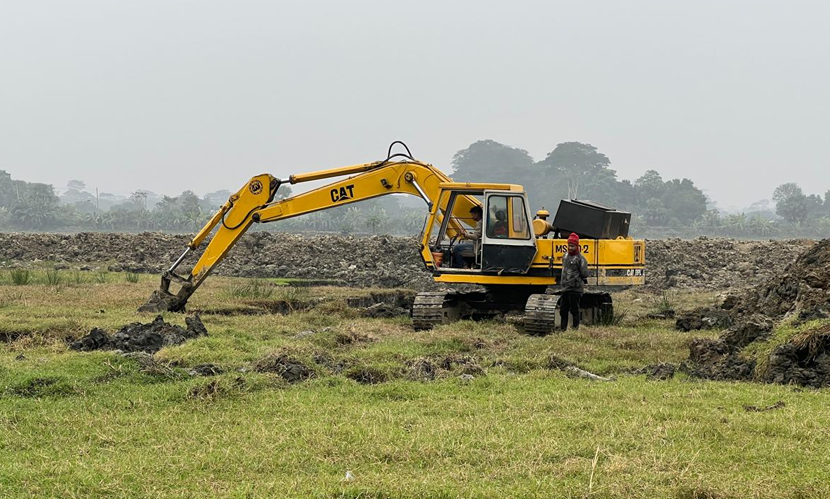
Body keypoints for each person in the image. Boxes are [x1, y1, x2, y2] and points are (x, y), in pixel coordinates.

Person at [560, 232, 588, 330]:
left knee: (574, 310)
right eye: (569, 245)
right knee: (563, 310)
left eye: (572, 246)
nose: (570, 248)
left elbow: (585, 274)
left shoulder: (581, 259)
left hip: (575, 289)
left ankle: (575, 328)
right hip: (565, 288)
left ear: (577, 246)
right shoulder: (565, 256)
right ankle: (563, 329)